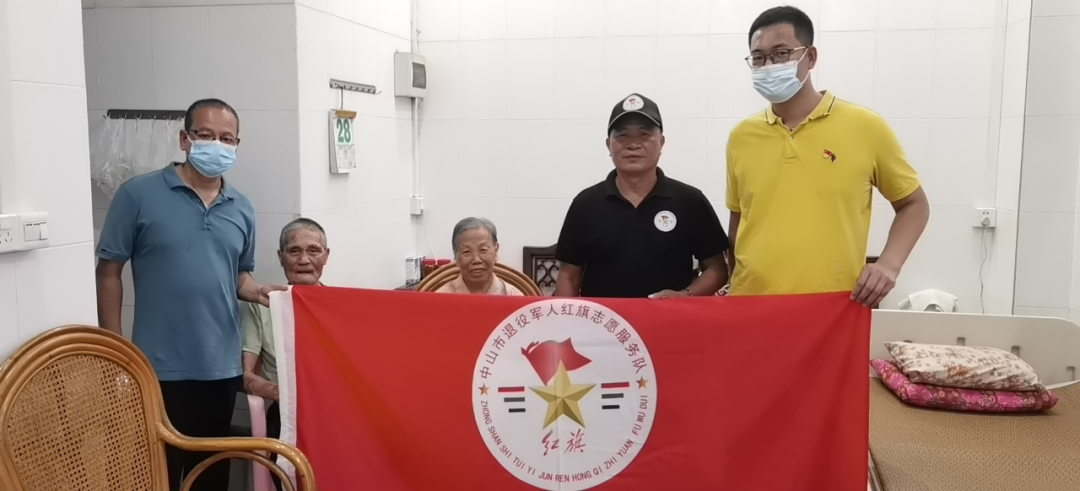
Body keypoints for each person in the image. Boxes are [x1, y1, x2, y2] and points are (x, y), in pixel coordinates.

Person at [95, 98, 285, 491]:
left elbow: (238, 276)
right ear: (185, 139)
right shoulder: (138, 195)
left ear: (237, 145)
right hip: (157, 369)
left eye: (227, 139)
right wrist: (115, 349)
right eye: (206, 135)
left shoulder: (242, 208)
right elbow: (109, 272)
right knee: (158, 474)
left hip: (221, 369)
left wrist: (259, 291)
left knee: (210, 476)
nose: (217, 144)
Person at [726, 7, 930, 306]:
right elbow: (739, 219)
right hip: (751, 303)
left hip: (833, 307)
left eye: (781, 53)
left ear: (810, 57)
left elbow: (914, 204)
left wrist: (888, 265)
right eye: (758, 57)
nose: (768, 65)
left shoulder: (865, 127)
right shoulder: (741, 137)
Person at [553, 93, 729, 298]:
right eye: (622, 136)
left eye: (644, 135)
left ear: (661, 142)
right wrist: (566, 315)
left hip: (671, 317)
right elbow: (568, 276)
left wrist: (685, 295)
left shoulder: (690, 201)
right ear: (608, 145)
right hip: (604, 318)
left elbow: (716, 269)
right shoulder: (585, 204)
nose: (633, 145)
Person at [241, 217, 329, 491]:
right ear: (281, 257)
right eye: (294, 251)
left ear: (326, 256)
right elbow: (245, 377)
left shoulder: (339, 305)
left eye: (313, 250)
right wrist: (287, 395)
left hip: (332, 411)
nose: (304, 260)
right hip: (286, 412)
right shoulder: (262, 305)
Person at [435, 217, 524, 295]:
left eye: (483, 250)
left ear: (496, 250)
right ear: (456, 256)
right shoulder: (440, 298)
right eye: (466, 251)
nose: (476, 260)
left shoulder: (514, 296)